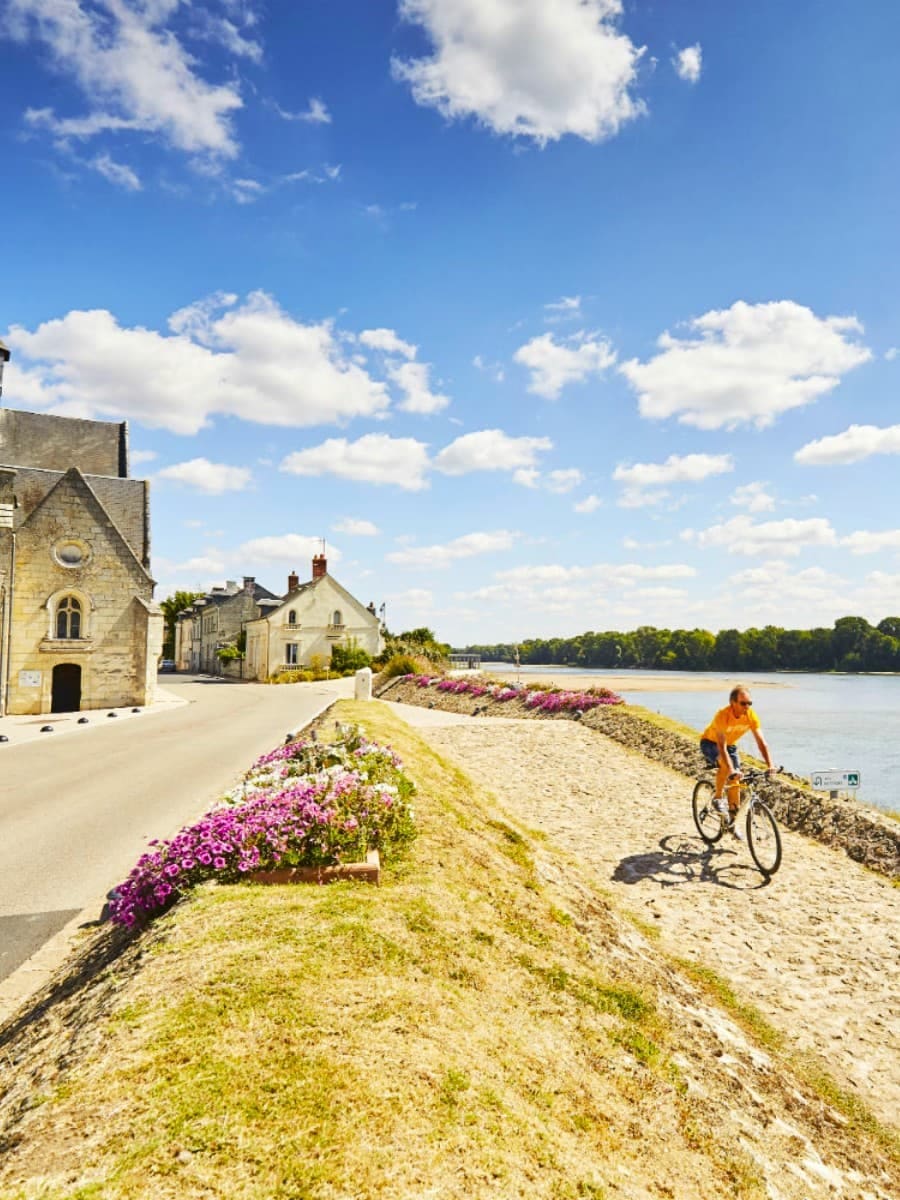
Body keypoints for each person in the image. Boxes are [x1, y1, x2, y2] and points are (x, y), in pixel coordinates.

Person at [700, 686, 774, 834]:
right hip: (710, 743)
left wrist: (770, 765)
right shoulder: (722, 715)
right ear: (733, 702)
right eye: (743, 703)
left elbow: (761, 743)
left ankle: (733, 824)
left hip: (731, 746)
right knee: (727, 768)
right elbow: (721, 746)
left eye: (749, 703)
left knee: (736, 781)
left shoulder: (751, 716)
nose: (747, 706)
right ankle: (718, 798)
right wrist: (731, 769)